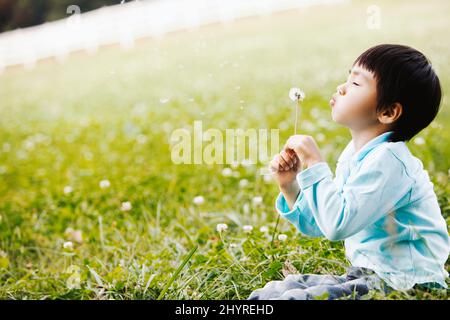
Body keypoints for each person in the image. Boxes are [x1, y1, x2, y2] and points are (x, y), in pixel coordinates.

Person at [248, 44, 450, 300]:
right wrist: (291, 187)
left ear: (388, 112)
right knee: (279, 289)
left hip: (407, 281)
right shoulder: (355, 154)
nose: (341, 88)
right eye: (347, 78)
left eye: (355, 84)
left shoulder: (389, 161)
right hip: (367, 274)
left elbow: (337, 226)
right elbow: (322, 222)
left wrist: (315, 163)